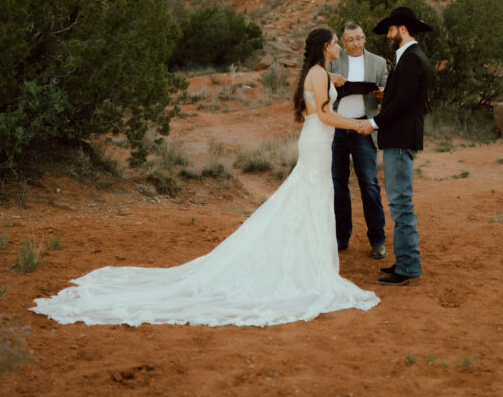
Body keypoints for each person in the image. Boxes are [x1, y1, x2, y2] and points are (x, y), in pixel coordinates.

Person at [31, 28, 379, 327]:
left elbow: (314, 103)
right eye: (335, 42)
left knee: (310, 200)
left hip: (315, 143)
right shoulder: (318, 74)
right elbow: (321, 113)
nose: (338, 45)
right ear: (325, 47)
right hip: (318, 143)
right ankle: (308, 269)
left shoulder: (320, 73)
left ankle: (309, 261)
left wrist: (334, 82)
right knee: (310, 198)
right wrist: (357, 124)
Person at [361, 6, 432, 287]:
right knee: (399, 203)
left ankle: (409, 266)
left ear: (403, 29)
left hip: (400, 141)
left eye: (391, 29)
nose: (388, 34)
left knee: (401, 204)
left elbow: (405, 102)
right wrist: (385, 94)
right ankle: (404, 262)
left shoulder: (412, 59)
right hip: (400, 139)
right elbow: (403, 96)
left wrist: (374, 123)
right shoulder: (409, 58)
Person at [328, 20, 388, 258]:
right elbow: (315, 84)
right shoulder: (332, 61)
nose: (355, 43)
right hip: (336, 129)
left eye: (359, 38)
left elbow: (388, 95)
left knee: (370, 184)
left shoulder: (379, 62)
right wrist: (329, 77)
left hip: (363, 127)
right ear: (343, 41)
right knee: (337, 185)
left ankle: (378, 240)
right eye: (350, 40)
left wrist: (383, 93)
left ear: (365, 38)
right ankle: (342, 237)